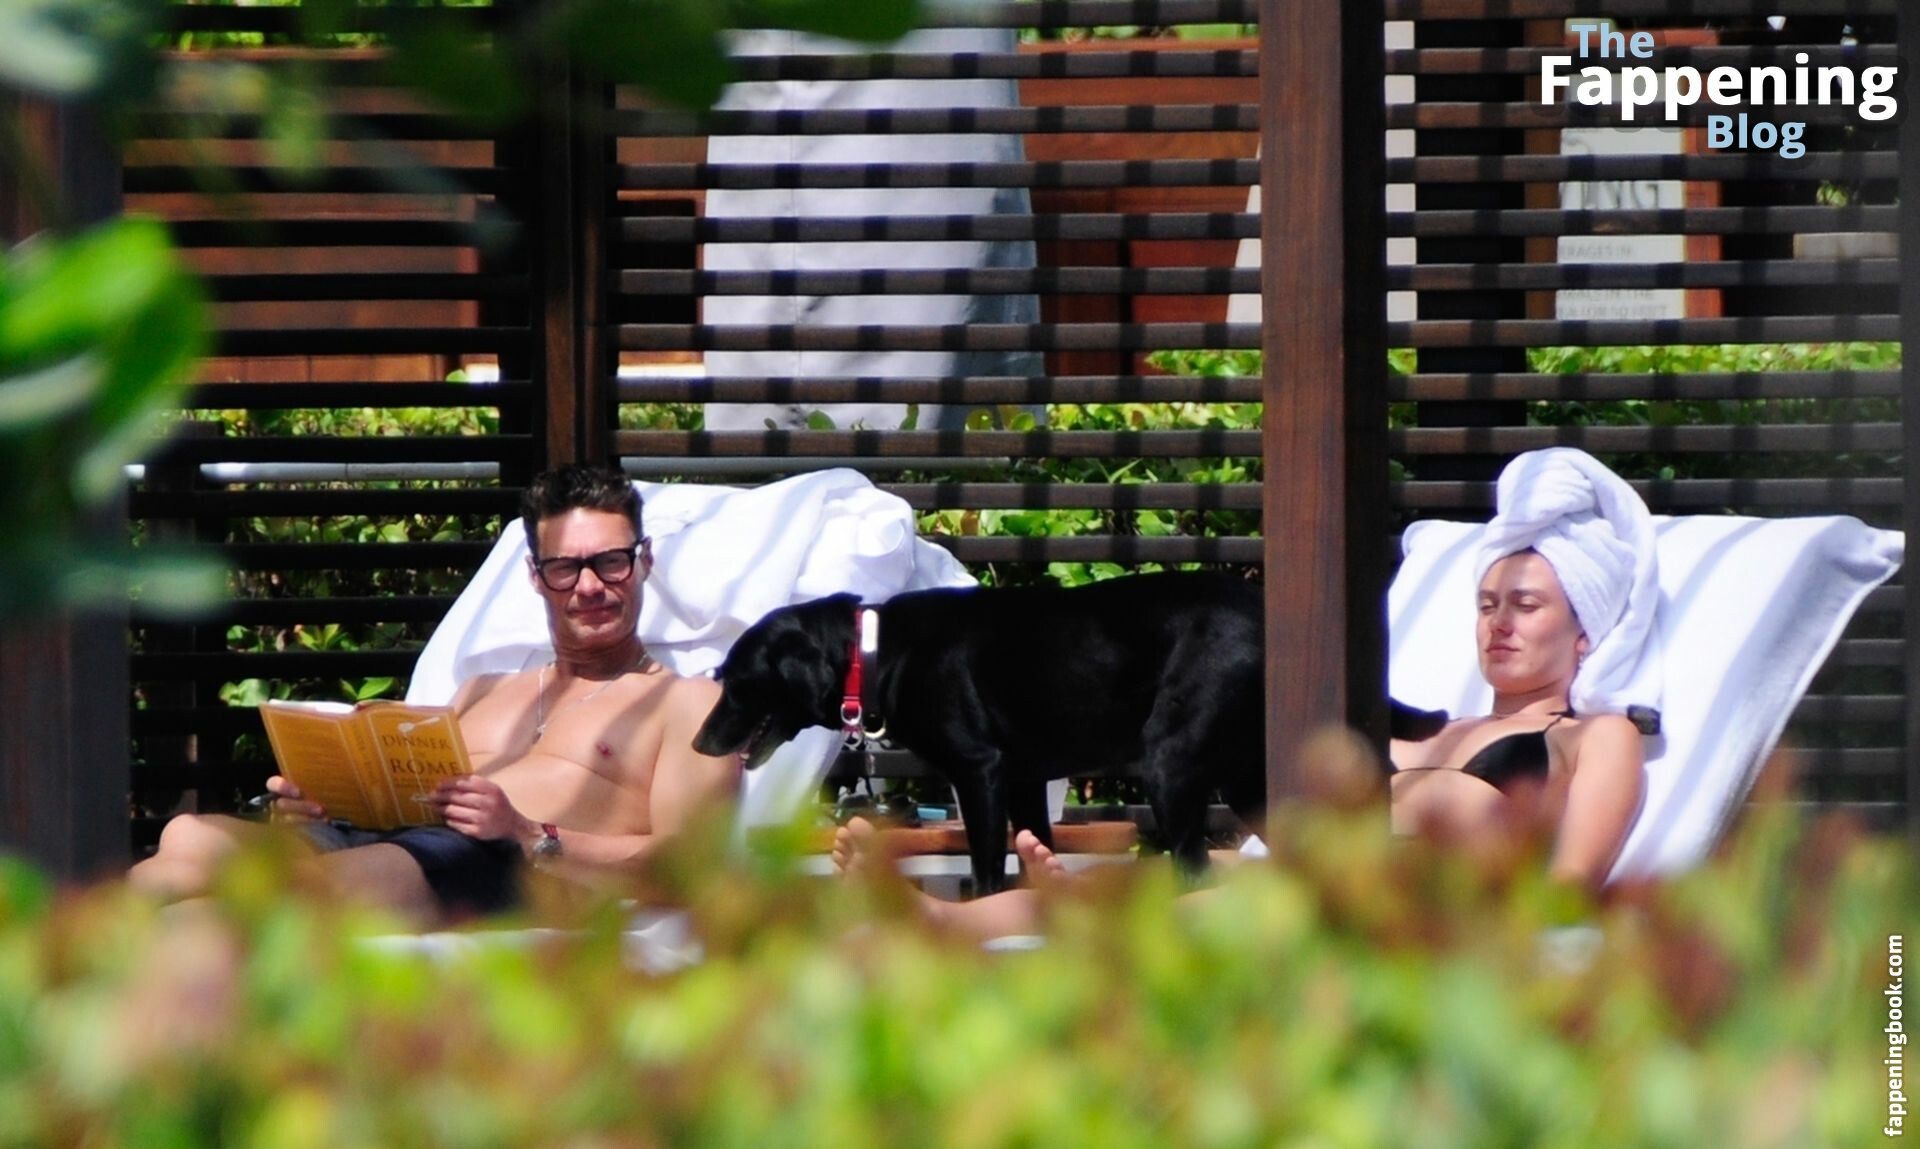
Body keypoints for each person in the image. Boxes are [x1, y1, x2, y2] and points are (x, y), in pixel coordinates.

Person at [834, 447, 1654, 940]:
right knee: (1165, 881)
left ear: (1585, 629)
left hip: (1421, 902)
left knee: (1200, 904)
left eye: (1525, 605)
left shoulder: (1594, 735)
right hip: (1318, 875)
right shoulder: (1430, 721)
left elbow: (1569, 886)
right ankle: (945, 919)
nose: (1498, 623)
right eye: (1486, 603)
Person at [130, 464, 742, 925]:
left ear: (644, 561)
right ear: (536, 577)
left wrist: (532, 834)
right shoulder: (483, 688)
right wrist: (319, 802)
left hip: (500, 867)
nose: (589, 586)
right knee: (189, 835)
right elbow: (401, 795)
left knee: (215, 912)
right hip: (384, 843)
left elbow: (691, 870)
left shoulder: (687, 703)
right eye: (565, 568)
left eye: (610, 562)